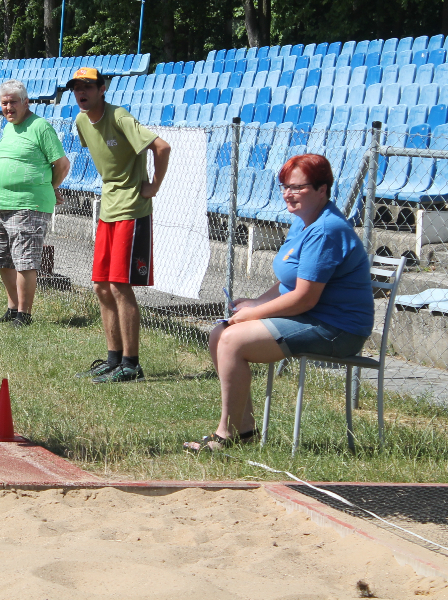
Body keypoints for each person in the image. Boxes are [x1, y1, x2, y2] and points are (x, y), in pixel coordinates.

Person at [184, 154, 374, 452]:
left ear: (322, 190)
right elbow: (289, 282)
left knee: (233, 340)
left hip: (338, 329)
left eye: (297, 187)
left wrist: (252, 315)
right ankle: (243, 430)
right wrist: (255, 303)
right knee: (219, 334)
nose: (288, 193)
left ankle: (225, 436)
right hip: (312, 318)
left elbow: (303, 298)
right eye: (284, 186)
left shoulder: (326, 230)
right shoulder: (302, 222)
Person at [67, 67, 171, 384]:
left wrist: (154, 185)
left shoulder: (119, 115)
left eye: (87, 86)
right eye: (76, 87)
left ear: (103, 89)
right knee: (100, 285)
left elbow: (162, 147)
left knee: (119, 286)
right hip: (108, 208)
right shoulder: (82, 121)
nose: (81, 92)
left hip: (132, 208)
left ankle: (132, 364)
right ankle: (113, 360)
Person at [0, 79, 70, 327]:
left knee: (25, 260)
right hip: (0, 204)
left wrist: (50, 187)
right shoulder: (7, 127)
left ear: (26, 102)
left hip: (29, 205)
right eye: (4, 103)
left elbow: (62, 165)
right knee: (2, 258)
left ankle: (25, 314)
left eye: (13, 102)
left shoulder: (41, 127)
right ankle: (13, 307)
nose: (8, 107)